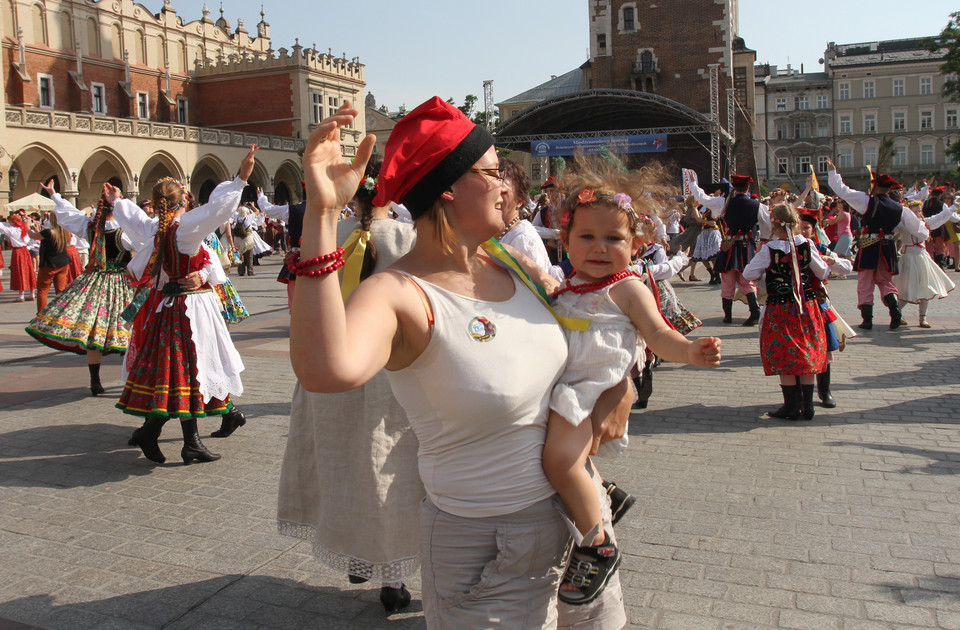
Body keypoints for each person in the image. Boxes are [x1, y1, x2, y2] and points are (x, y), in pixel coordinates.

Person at [290, 97, 639, 628]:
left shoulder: (510, 262)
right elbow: (324, 371)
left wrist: (623, 387)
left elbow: (595, 340)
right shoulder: (399, 293)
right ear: (449, 186)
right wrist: (321, 213)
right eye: (494, 172)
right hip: (487, 549)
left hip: (578, 530)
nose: (508, 186)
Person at [544, 165, 721, 604]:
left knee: (559, 461)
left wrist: (690, 351)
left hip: (588, 389)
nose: (600, 248)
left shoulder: (627, 288)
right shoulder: (569, 285)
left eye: (614, 239)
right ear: (564, 241)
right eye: (586, 237)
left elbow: (658, 334)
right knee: (564, 457)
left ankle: (596, 543)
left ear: (637, 245)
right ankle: (603, 492)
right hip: (563, 385)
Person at [278, 163, 423, 613]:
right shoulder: (405, 238)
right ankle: (392, 579)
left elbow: (299, 296)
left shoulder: (330, 232)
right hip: (387, 371)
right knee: (386, 468)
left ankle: (356, 553)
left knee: (341, 463)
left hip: (329, 367)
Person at [110, 146, 256, 465]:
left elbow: (134, 220)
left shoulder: (156, 229)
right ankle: (173, 437)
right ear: (182, 200)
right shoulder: (185, 229)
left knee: (184, 373)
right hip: (189, 310)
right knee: (189, 370)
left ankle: (186, 438)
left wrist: (116, 201)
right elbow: (215, 212)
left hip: (169, 307)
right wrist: (241, 178)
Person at [26, 182, 138, 396]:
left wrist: (54, 195)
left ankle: (95, 381)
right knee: (129, 331)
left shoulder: (90, 226)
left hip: (93, 281)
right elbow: (144, 247)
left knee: (93, 331)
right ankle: (130, 380)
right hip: (121, 283)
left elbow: (69, 214)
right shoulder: (125, 233)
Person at [743, 204, 830, 420]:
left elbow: (748, 273)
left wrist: (767, 278)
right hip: (806, 305)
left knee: (784, 350)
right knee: (807, 348)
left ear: (774, 223)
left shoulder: (769, 248)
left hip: (780, 306)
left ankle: (791, 407)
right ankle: (808, 406)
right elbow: (822, 271)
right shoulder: (807, 244)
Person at [827, 160, 929, 330]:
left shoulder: (867, 201)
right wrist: (924, 233)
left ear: (875, 187)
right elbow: (918, 229)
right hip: (888, 246)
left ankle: (867, 320)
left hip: (869, 245)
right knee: (885, 280)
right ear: (889, 190)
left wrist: (832, 173)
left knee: (865, 282)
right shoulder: (900, 209)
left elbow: (843, 191)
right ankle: (895, 309)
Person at [689, 174, 765, 324]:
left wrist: (693, 184)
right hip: (746, 246)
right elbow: (767, 224)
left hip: (728, 245)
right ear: (748, 188)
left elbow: (703, 199)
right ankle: (755, 311)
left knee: (727, 281)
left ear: (734, 188)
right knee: (746, 281)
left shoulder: (724, 202)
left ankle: (728, 316)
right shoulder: (757, 205)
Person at [894, 198, 958, 328]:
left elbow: (940, 217)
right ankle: (897, 313)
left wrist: (953, 207)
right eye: (914, 211)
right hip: (908, 258)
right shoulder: (902, 224)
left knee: (925, 286)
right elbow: (890, 230)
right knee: (907, 288)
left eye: (919, 211)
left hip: (922, 257)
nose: (917, 213)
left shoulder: (925, 223)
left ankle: (923, 319)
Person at [26, 210, 71, 312]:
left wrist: (27, 226)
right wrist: (36, 229)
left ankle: (41, 315)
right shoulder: (64, 231)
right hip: (63, 262)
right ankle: (62, 313)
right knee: (61, 290)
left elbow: (33, 236)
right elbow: (41, 235)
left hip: (49, 264)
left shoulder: (48, 232)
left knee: (42, 290)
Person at [0, 209, 37, 301]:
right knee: (29, 270)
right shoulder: (24, 229)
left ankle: (21, 295)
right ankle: (32, 294)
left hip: (18, 252)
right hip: (25, 251)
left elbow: (2, 227)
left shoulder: (12, 230)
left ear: (13, 222)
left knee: (19, 271)